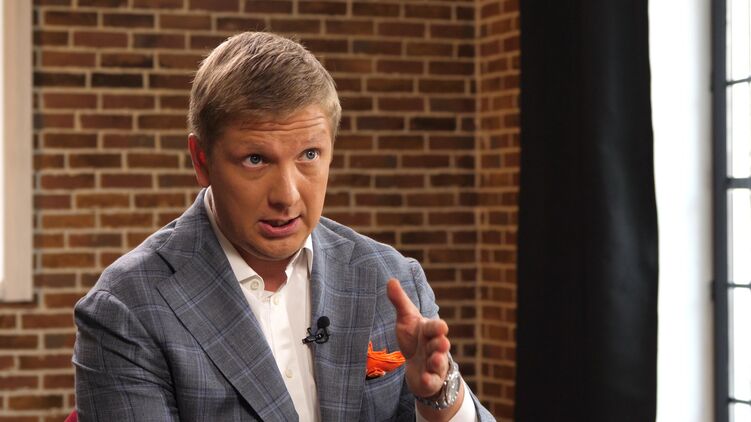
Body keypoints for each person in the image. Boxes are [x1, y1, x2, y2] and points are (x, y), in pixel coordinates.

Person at [73, 31, 494, 421]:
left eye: (309, 155)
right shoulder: (126, 309)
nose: (287, 196)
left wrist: (439, 398)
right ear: (202, 161)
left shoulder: (393, 279)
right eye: (256, 159)